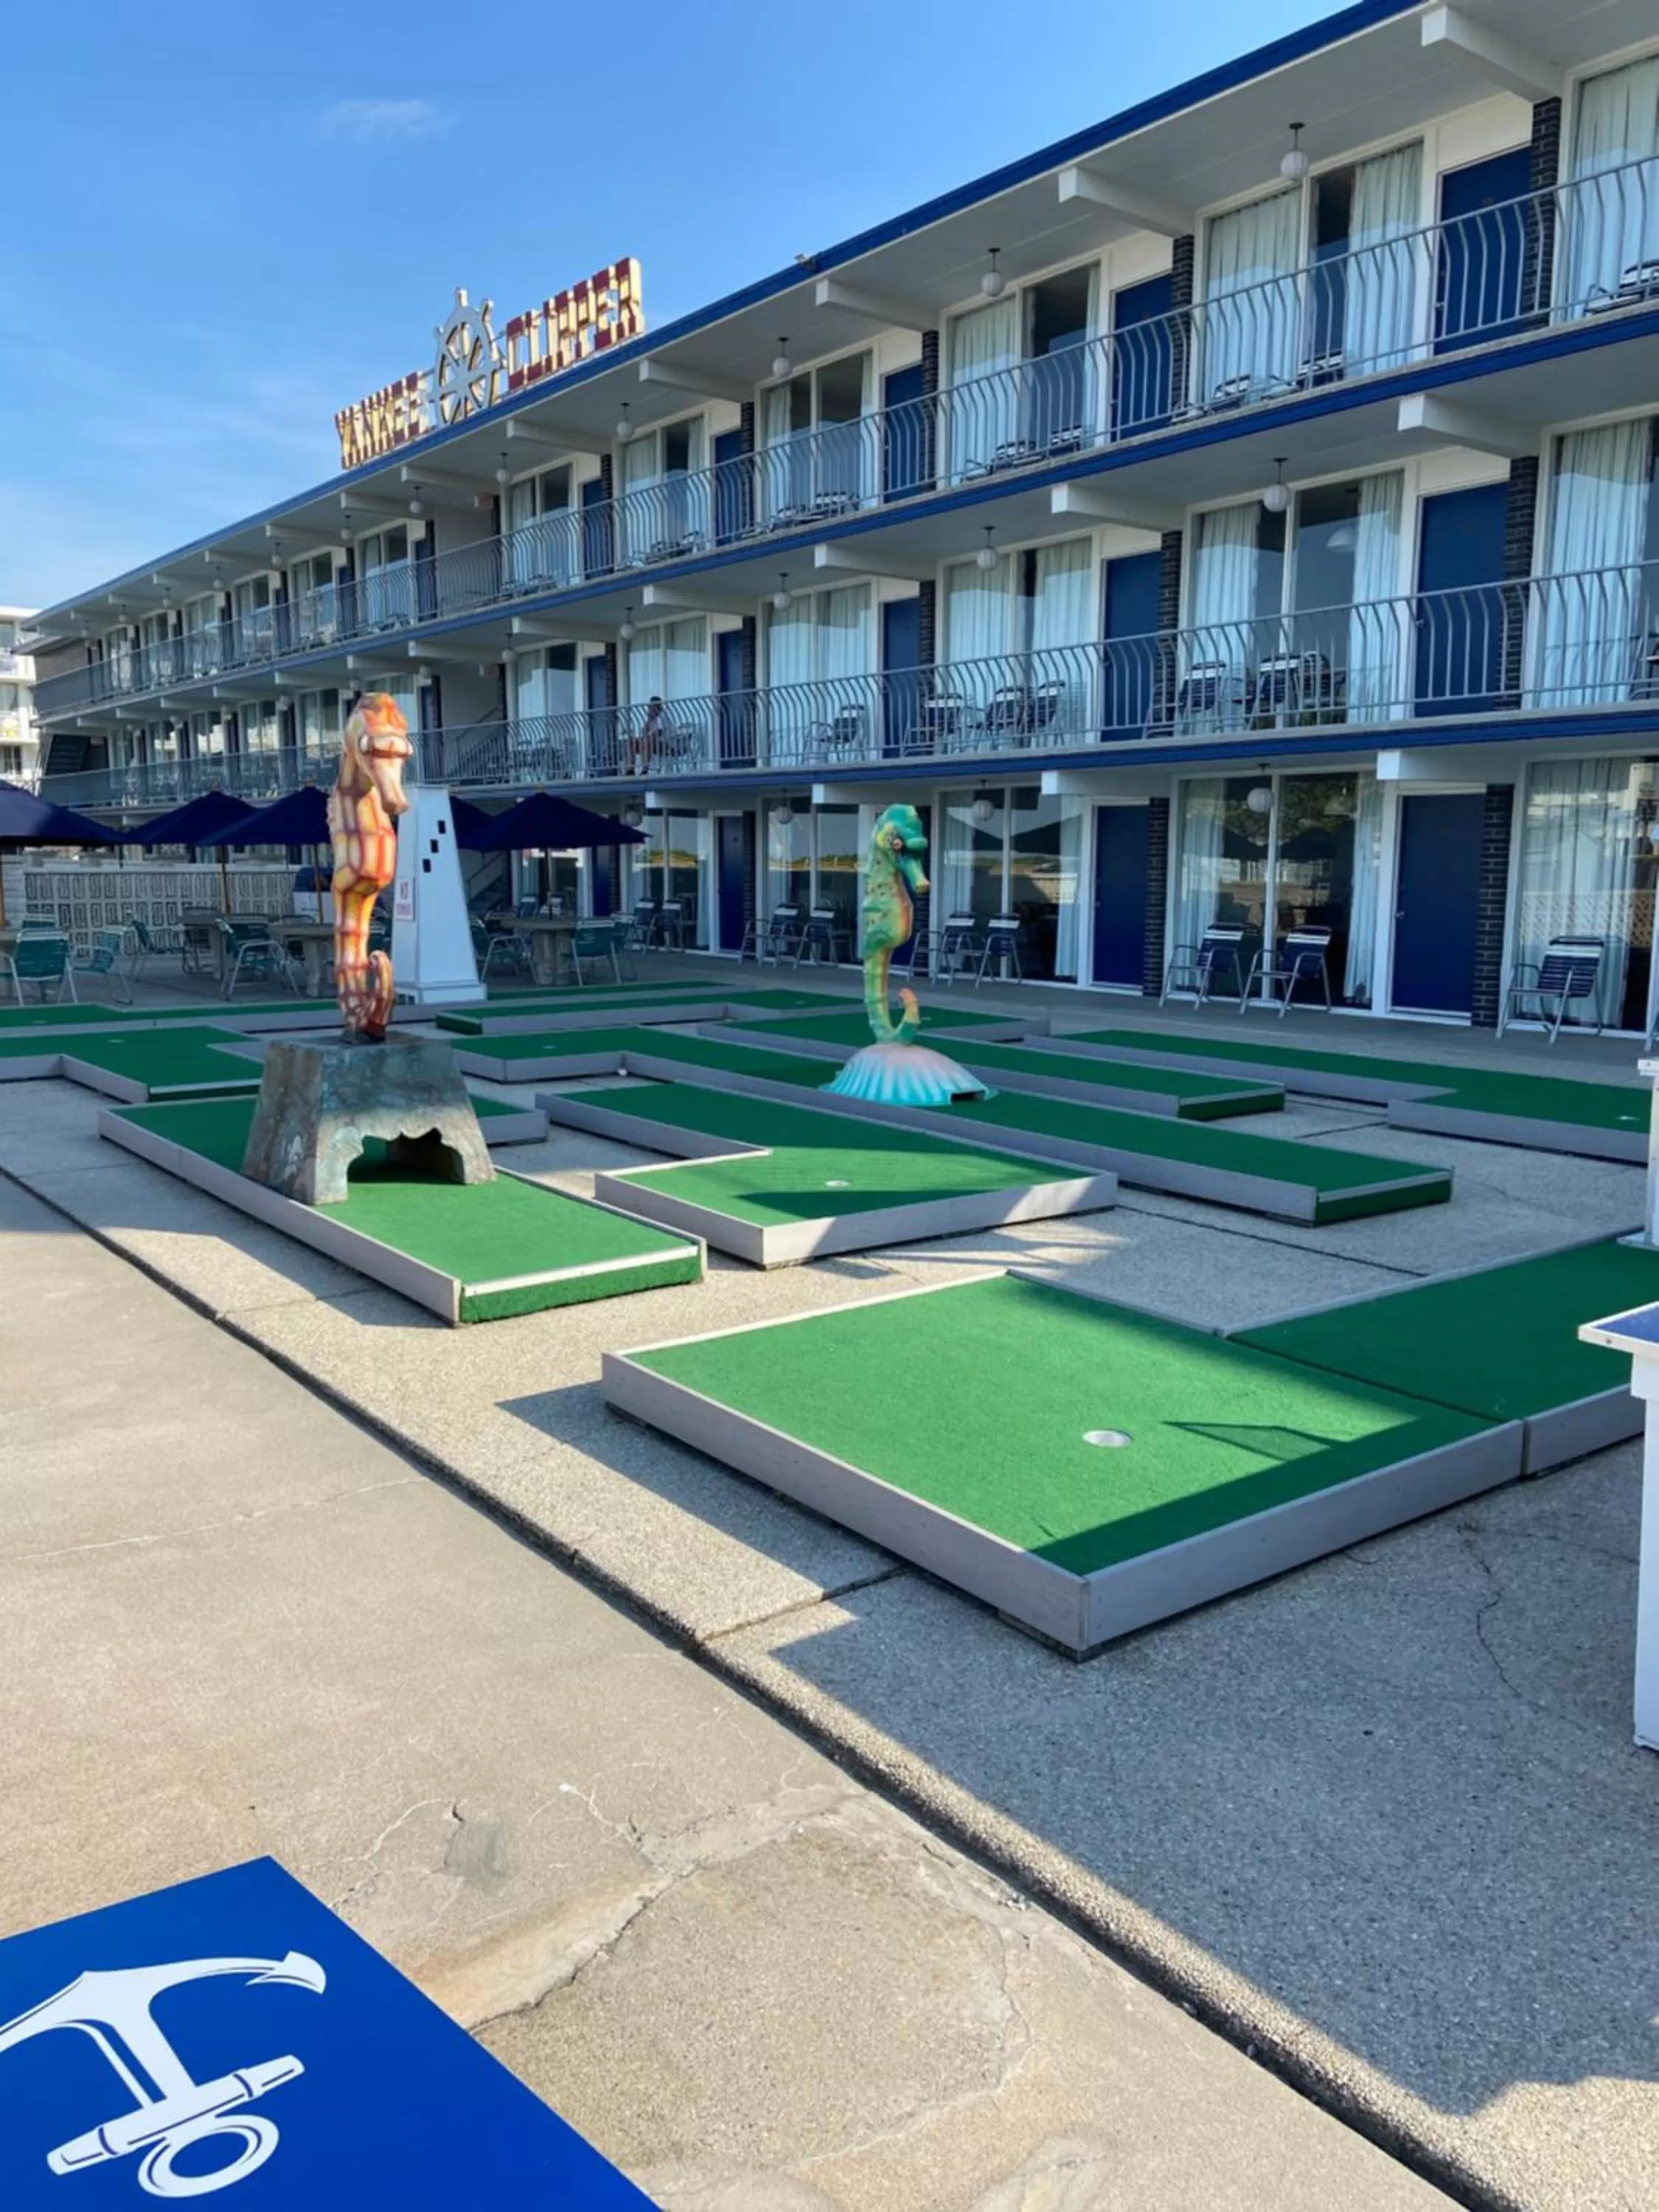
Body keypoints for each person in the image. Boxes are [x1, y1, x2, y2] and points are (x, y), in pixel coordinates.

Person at [630, 695, 667, 776]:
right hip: (649, 742)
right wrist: (649, 720)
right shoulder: (651, 718)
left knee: (647, 740)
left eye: (651, 707)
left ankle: (645, 768)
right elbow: (644, 733)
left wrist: (645, 737)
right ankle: (630, 769)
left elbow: (659, 733)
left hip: (663, 744)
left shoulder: (663, 717)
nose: (649, 709)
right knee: (631, 741)